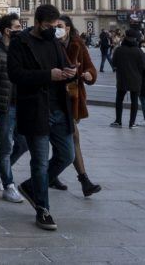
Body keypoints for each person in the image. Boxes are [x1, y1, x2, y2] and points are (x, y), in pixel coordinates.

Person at [6, 3, 77, 232]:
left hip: (58, 108)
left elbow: (63, 66)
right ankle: (43, 209)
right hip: (36, 109)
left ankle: (31, 187)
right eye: (49, 26)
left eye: (56, 26)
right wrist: (48, 75)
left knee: (67, 155)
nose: (53, 30)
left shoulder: (54, 42)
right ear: (37, 23)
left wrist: (69, 73)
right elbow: (15, 75)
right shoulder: (20, 43)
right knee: (39, 162)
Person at [51, 14, 101, 196]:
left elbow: (90, 67)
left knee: (67, 139)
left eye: (60, 25)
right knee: (73, 138)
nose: (56, 28)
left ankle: (53, 175)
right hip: (54, 99)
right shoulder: (49, 44)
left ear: (68, 28)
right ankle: (84, 180)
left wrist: (88, 74)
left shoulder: (77, 44)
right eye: (54, 25)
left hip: (72, 98)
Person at [0, 13, 27, 204]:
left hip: (20, 106)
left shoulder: (21, 51)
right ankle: (9, 186)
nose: (21, 30)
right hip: (3, 107)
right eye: (17, 27)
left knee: (23, 144)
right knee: (6, 146)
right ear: (8, 31)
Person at [110, 28, 145, 128]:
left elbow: (114, 64)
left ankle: (118, 121)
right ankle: (132, 123)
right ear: (135, 39)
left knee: (119, 100)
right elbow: (144, 66)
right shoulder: (139, 51)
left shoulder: (119, 50)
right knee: (134, 101)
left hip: (122, 79)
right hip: (135, 79)